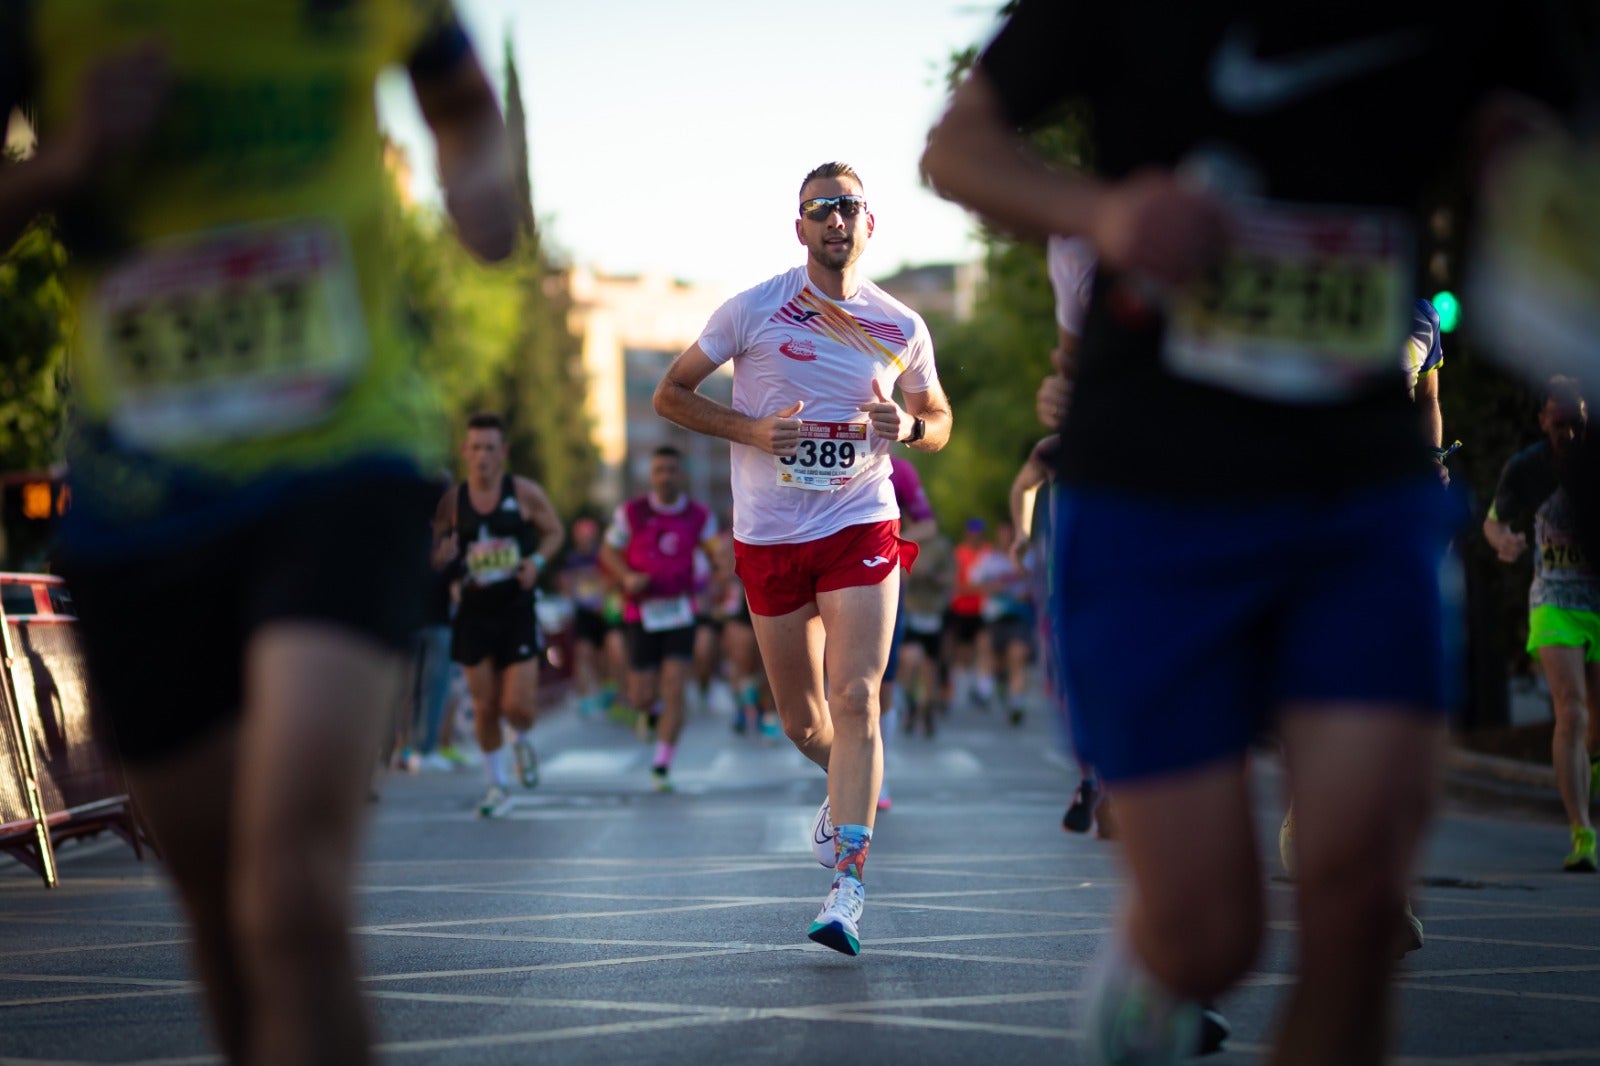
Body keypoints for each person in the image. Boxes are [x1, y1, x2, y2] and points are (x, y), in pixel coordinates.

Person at [918, 4, 1555, 1062]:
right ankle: (1144, 994)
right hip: (1154, 492)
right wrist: (1107, 213)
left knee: (1357, 912)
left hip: (1358, 490)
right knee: (1208, 931)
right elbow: (957, 148)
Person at [0, 3, 515, 1061]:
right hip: (143, 503)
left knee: (289, 895)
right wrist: (66, 165)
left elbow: (460, 98)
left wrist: (480, 184)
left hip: (342, 458)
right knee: (229, 925)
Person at [654, 161, 951, 956]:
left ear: (869, 223)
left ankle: (847, 885)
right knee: (803, 721)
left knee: (857, 699)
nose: (836, 221)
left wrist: (912, 430)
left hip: (861, 523)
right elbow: (670, 394)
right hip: (771, 536)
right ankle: (847, 785)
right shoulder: (752, 309)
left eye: (849, 207)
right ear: (800, 228)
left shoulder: (901, 327)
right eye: (821, 209)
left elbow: (939, 415)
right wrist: (752, 431)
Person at [1484, 376, 1598, 872]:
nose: (1568, 436)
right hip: (1553, 599)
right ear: (1542, 423)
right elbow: (1494, 520)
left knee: (1592, 724)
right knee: (1571, 711)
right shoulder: (1528, 468)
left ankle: (1588, 764)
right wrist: (1502, 542)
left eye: (1576, 424)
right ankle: (1583, 834)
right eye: (1558, 427)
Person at [434, 412, 565, 817]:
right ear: (464, 452)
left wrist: (537, 564)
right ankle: (497, 785)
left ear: (503, 452)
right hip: (474, 613)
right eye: (475, 448)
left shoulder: (523, 492)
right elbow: (436, 550)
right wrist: (446, 563)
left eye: (490, 448)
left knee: (518, 706)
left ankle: (520, 737)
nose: (483, 457)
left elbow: (555, 531)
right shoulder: (453, 501)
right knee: (485, 702)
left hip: (516, 610)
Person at [599, 445, 723, 791]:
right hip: (641, 612)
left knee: (674, 686)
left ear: (681, 474)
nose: (666, 476)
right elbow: (609, 551)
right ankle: (646, 712)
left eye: (672, 469)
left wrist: (716, 577)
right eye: (659, 470)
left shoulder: (699, 516)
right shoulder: (633, 513)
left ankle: (662, 764)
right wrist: (625, 577)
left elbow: (716, 553)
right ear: (650, 476)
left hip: (681, 610)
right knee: (641, 694)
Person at [561, 516, 619, 717]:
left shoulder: (601, 557)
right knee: (583, 653)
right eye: (581, 536)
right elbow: (566, 583)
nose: (585, 540)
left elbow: (611, 578)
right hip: (583, 611)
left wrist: (603, 597)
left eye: (588, 536)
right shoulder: (572, 559)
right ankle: (586, 696)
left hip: (601, 611)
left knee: (603, 655)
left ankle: (608, 690)